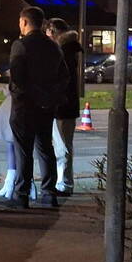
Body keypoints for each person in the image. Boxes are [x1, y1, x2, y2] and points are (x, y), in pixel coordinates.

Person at [2, 6, 68, 209]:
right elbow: (64, 76)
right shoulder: (53, 46)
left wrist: (27, 94)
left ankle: (22, 194)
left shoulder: (20, 46)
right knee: (45, 148)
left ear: (24, 22)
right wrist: (49, 97)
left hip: (25, 106)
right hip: (46, 107)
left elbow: (18, 78)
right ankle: (49, 193)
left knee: (24, 151)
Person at [47, 18, 82, 196]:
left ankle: (64, 184)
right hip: (66, 105)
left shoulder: (63, 52)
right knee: (63, 145)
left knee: (62, 147)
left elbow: (60, 80)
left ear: (53, 32)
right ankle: (63, 182)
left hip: (63, 106)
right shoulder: (68, 50)